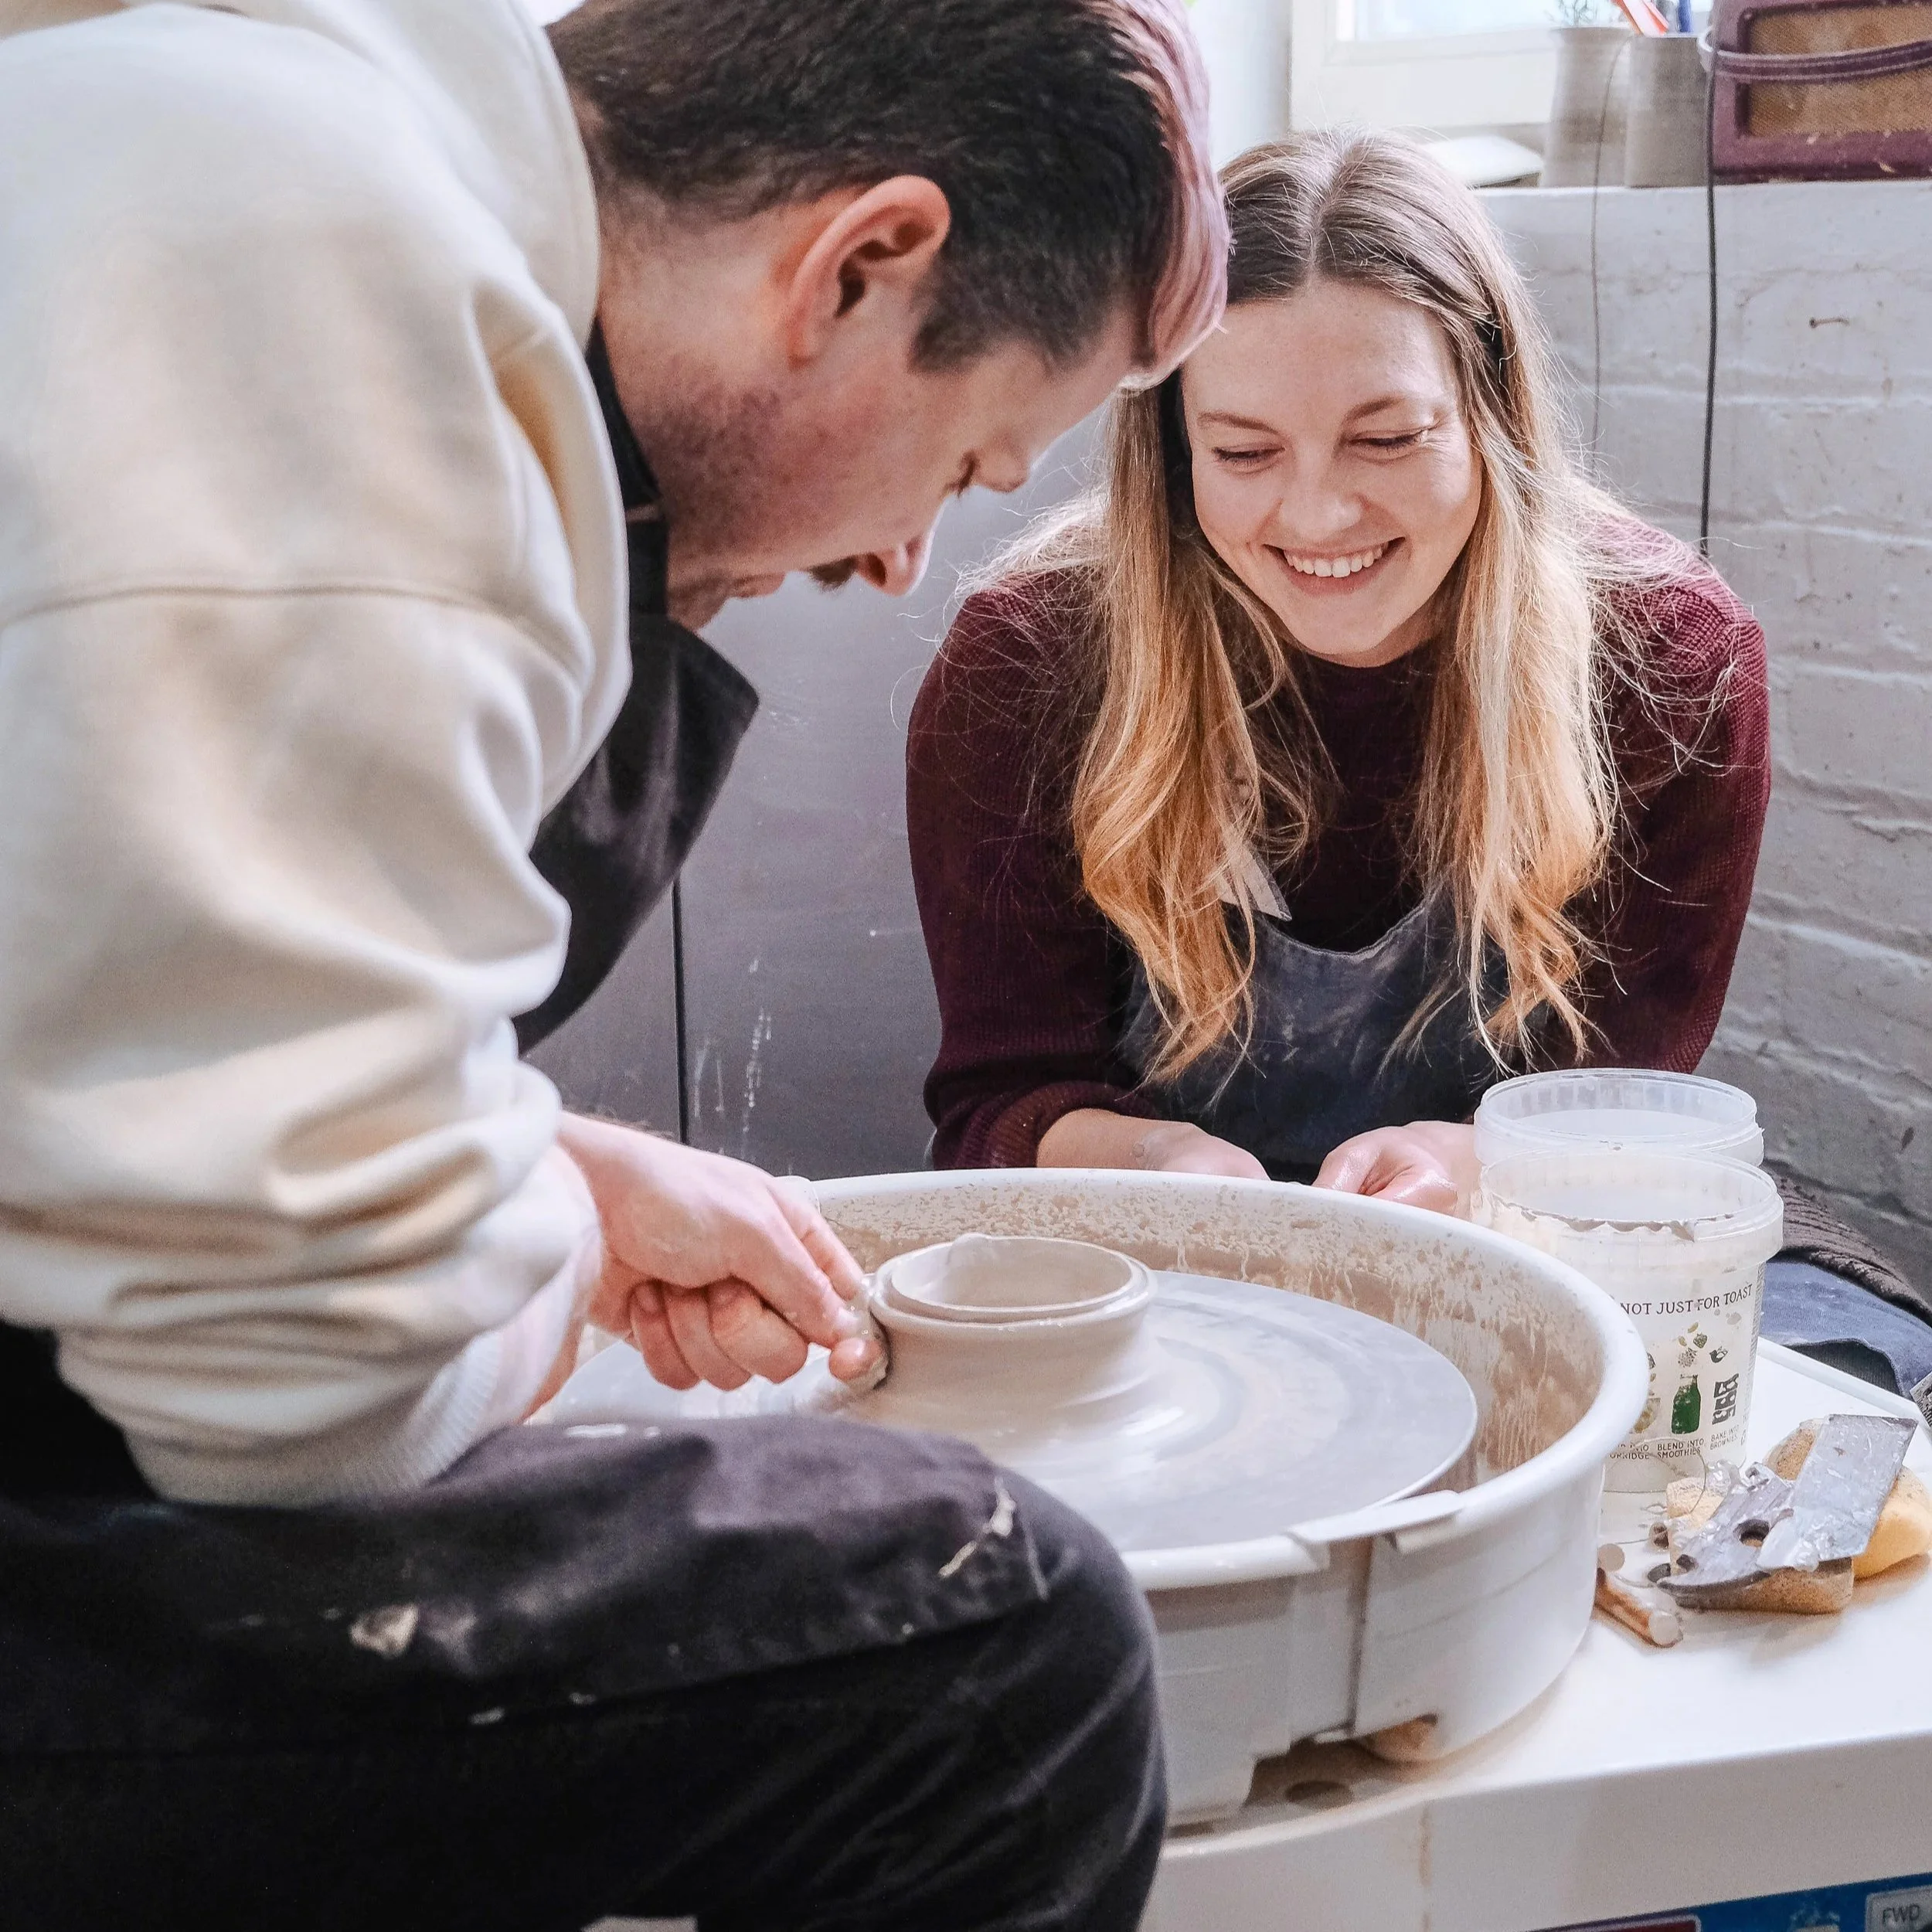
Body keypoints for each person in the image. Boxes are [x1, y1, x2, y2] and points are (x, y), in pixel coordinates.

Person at [0, 0, 1226, 1925]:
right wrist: (560, 1254)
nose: (904, 558)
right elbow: (293, 1387)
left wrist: (553, 1160)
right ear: (856, 265)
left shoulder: (280, 125)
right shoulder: (361, 358)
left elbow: (82, 1017)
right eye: (963, 461)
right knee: (994, 1657)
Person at [909, 131, 1770, 1214]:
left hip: (1515, 1234)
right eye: (1244, 452)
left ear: (1491, 413)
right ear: (1173, 451)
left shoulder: (1670, 659)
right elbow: (997, 1109)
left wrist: (1474, 1162)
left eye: (1388, 438)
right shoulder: (1030, 661)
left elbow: (1624, 1105)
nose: (1318, 515)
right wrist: (1165, 1166)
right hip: (1164, 1254)